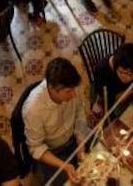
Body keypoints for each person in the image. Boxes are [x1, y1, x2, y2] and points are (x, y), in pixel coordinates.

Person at [22, 57, 89, 185]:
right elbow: (36, 147)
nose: (74, 95)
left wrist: (81, 144)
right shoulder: (33, 109)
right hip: (54, 151)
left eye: (74, 89)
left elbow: (80, 114)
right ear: (52, 88)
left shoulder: (71, 86)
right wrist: (65, 166)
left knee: (102, 150)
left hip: (74, 137)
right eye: (68, 92)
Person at [91, 42, 133, 120]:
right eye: (124, 73)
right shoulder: (102, 69)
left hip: (129, 95)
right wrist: (100, 103)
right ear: (115, 64)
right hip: (111, 98)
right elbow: (102, 94)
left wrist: (131, 90)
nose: (128, 78)